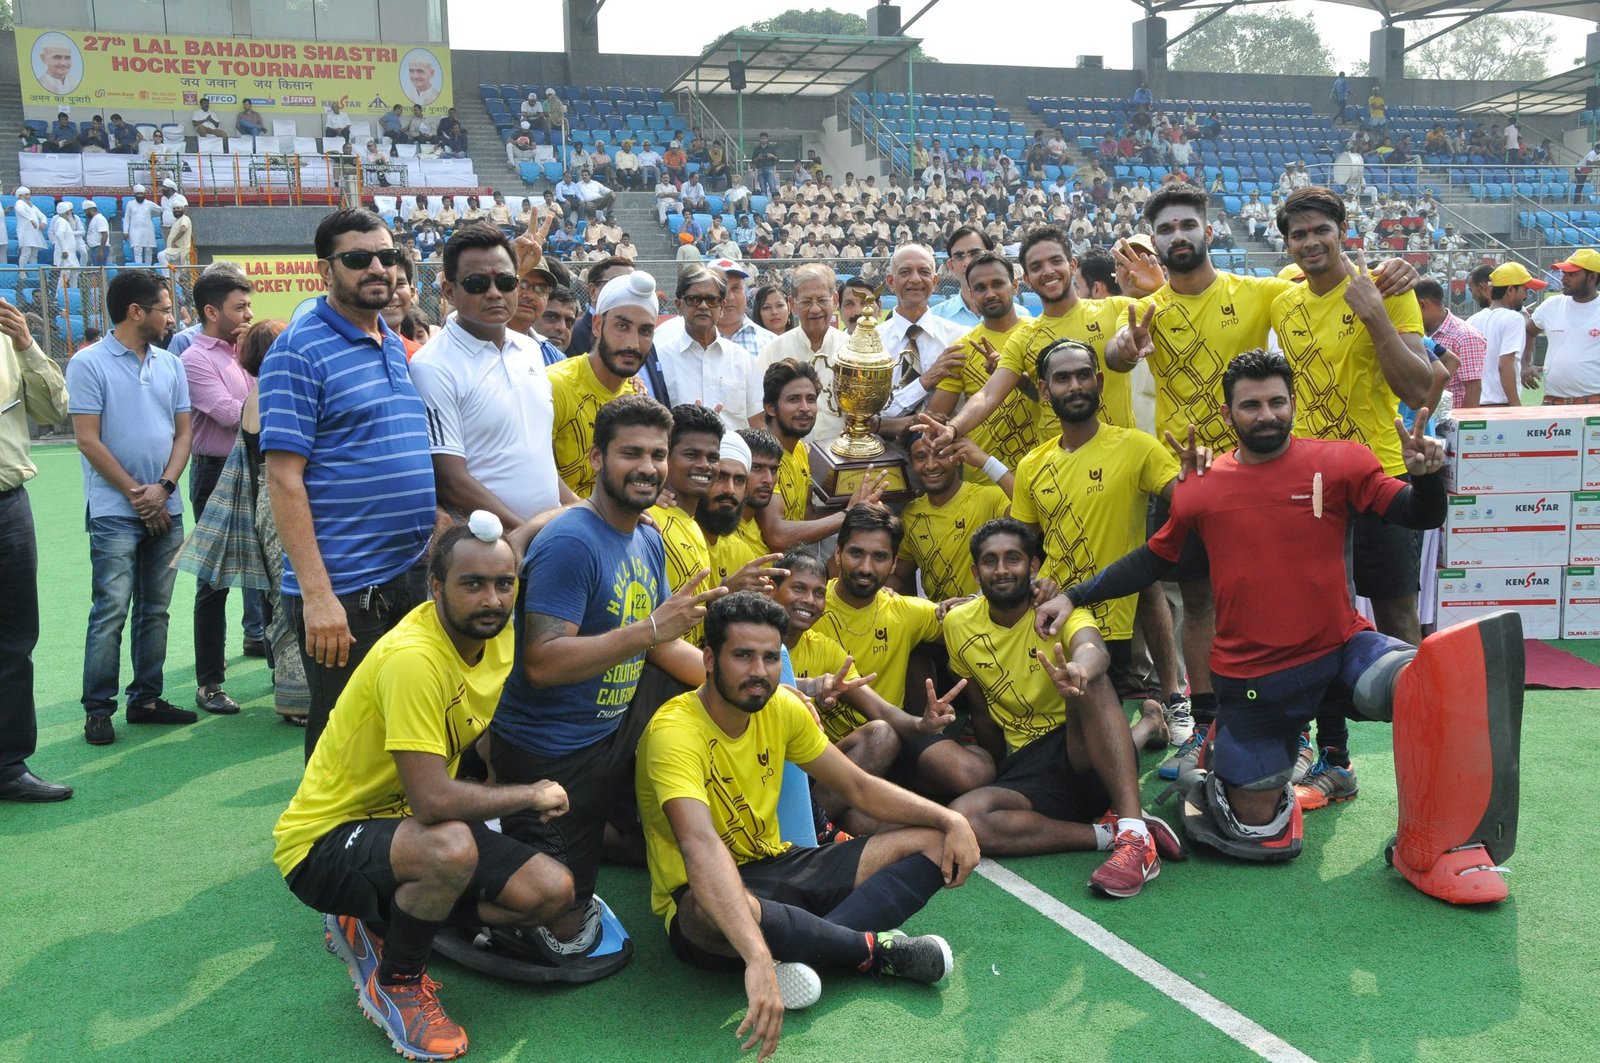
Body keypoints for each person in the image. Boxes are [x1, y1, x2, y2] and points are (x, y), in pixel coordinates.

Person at [1045, 350, 1519, 905]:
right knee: (1257, 835)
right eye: (1251, 405)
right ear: (1229, 415)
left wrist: (1428, 477)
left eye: (1276, 401)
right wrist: (1072, 595)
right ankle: (1221, 772)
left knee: (1432, 681)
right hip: (1254, 681)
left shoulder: (1342, 462)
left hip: (1341, 650)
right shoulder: (1201, 487)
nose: (1266, 414)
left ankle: (1432, 846)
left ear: (1292, 403)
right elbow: (1151, 559)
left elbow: (1419, 513)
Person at [1101, 182, 1417, 773]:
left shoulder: (1264, 294)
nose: (1177, 237)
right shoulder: (1141, 305)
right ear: (1155, 240)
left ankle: (1334, 740)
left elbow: (1323, 284)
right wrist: (1124, 345)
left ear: (1208, 231)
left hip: (1266, 481)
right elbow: (1120, 354)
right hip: (1188, 479)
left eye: (1186, 225)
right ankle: (1209, 726)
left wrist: (1386, 269)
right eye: (1165, 229)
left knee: (1318, 608)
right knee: (1200, 603)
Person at [273, 516, 574, 1062]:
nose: (491, 598)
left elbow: (521, 540)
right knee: (450, 845)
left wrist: (572, 507)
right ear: (436, 586)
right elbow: (434, 801)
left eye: (504, 584)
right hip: (324, 842)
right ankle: (398, 982)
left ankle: (379, 917)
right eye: (472, 583)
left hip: (412, 826)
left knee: (553, 892)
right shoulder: (414, 658)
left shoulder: (496, 630)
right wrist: (528, 795)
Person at [636, 590, 979, 1058]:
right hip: (706, 896)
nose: (759, 671)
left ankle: (804, 950)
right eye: (743, 656)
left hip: (783, 864)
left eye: (770, 657)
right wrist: (757, 958)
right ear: (710, 660)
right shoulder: (673, 732)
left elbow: (859, 788)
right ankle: (874, 953)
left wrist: (949, 816)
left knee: (936, 843)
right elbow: (699, 846)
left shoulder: (782, 707)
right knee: (705, 907)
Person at [486, 395, 720, 963]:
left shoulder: (647, 536)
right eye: (631, 453)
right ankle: (476, 843)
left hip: (610, 735)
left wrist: (763, 689)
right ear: (595, 457)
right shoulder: (572, 542)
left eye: (657, 454)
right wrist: (648, 631)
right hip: (550, 754)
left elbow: (666, 646)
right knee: (558, 911)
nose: (648, 467)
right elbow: (542, 663)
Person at [259, 208, 436, 758]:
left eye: (388, 257)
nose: (377, 268)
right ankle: (321, 842)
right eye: (358, 259)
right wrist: (318, 596)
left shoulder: (388, 339)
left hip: (408, 574)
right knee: (344, 739)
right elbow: (284, 479)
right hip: (347, 591)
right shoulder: (298, 349)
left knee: (402, 730)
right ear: (325, 272)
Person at [946, 519, 1183, 895]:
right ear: (975, 571)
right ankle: (1111, 831)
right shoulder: (958, 624)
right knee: (964, 818)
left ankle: (1135, 837)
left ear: (1034, 566)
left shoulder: (1060, 610)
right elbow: (980, 709)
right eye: (990, 561)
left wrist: (1079, 669)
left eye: (1013, 559)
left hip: (1080, 745)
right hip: (1030, 765)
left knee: (1088, 682)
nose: (1002, 569)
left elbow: (1094, 650)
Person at [1269, 186, 1433, 654]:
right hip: (1313, 482)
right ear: (1287, 245)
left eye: (1322, 229)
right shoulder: (1283, 304)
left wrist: (1376, 317)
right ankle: (1331, 730)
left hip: (1381, 473)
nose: (1311, 241)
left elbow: (1420, 389)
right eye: (1299, 234)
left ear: (1344, 233)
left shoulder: (1386, 290)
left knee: (1397, 615)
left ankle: (1413, 724)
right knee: (1321, 614)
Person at [772, 551, 992, 828]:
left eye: (818, 593)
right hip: (755, 766)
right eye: (798, 589)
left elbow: (879, 709)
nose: (809, 600)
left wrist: (923, 724)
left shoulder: (825, 649)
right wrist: (808, 685)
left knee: (883, 738)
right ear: (771, 590)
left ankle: (812, 826)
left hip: (816, 771)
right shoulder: (747, 631)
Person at [67, 270, 193, 746]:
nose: (171, 317)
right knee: (111, 609)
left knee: (156, 609)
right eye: (164, 308)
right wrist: (139, 495)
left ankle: (146, 699)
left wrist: (163, 486)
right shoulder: (88, 363)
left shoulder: (169, 363)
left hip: (167, 503)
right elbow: (88, 440)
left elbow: (184, 433)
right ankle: (99, 708)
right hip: (114, 511)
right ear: (136, 311)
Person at [410, 226, 571, 530]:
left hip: (545, 539)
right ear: (448, 292)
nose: (495, 293)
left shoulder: (529, 349)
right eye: (477, 283)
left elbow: (536, 458)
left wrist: (580, 510)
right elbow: (452, 481)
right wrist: (524, 533)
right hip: (488, 550)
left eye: (507, 282)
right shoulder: (432, 367)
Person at [0, 293, 74, 799]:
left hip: (7, 504)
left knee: (13, 639)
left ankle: (8, 766)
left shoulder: (9, 336)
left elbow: (53, 410)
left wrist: (26, 344)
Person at [181, 268, 256, 717]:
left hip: (255, 468)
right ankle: (209, 682)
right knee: (214, 581)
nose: (249, 313)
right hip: (215, 473)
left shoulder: (241, 350)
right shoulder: (195, 359)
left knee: (270, 573)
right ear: (211, 312)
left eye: (248, 305)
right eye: (239, 307)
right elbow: (231, 414)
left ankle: (278, 665)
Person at [549, 271, 655, 497]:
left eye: (645, 331)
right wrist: (591, 517)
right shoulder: (554, 385)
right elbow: (536, 471)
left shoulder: (637, 398)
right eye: (622, 326)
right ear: (597, 325)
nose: (633, 343)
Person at [891, 419, 1012, 605]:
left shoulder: (990, 498)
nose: (931, 465)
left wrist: (985, 462)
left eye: (940, 454)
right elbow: (899, 576)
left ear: (957, 455)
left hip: (989, 619)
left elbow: (1031, 510)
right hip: (940, 625)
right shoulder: (910, 514)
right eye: (921, 457)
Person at [657, 266, 763, 431]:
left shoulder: (741, 359)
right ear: (679, 305)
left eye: (712, 300)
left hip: (733, 455)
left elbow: (757, 421)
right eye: (694, 299)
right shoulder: (662, 360)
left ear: (722, 306)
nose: (703, 306)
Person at [876, 244, 968, 429]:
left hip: (942, 452)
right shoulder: (872, 343)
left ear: (935, 281)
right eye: (905, 272)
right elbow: (872, 414)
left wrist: (882, 424)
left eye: (924, 272)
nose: (915, 279)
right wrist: (926, 380)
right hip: (880, 452)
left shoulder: (959, 339)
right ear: (891, 282)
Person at [757, 263, 849, 447]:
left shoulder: (851, 349)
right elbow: (760, 413)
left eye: (822, 300)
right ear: (792, 304)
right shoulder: (772, 351)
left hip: (843, 459)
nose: (815, 309)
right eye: (806, 302)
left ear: (835, 300)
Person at [1465, 262, 1544, 407]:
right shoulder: (1514, 318)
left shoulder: (1472, 320)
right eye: (1524, 289)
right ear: (1510, 289)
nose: (1525, 295)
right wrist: (1515, 407)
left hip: (1476, 404)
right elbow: (1505, 365)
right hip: (1500, 405)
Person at [1529, 248, 1600, 405]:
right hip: (1553, 403)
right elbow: (1528, 331)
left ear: (1592, 277)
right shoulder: (1551, 305)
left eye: (1572, 274)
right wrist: (1525, 364)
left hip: (1594, 405)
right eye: (1564, 273)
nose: (1564, 279)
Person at [1415, 278, 1485, 409]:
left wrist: (1465, 427)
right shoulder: (1419, 333)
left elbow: (1473, 389)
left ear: (1422, 304)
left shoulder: (1465, 336)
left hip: (1450, 422)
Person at [124, 184, 159, 266]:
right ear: (135, 194)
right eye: (138, 193)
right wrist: (125, 231)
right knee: (137, 250)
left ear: (144, 194)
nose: (140, 195)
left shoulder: (149, 203)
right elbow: (127, 218)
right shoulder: (130, 204)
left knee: (148, 250)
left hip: (148, 230)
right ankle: (139, 270)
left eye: (141, 193)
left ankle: (148, 270)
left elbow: (161, 210)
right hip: (135, 230)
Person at [13, 188, 47, 269]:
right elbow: (20, 210)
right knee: (25, 254)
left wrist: (43, 222)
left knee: (34, 255)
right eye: (27, 194)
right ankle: (22, 272)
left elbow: (42, 215)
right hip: (25, 233)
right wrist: (31, 220)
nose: (29, 196)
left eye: (29, 194)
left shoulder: (31, 206)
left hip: (35, 233)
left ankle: (33, 272)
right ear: (20, 196)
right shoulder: (19, 203)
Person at [156, 195, 191, 269]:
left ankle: (167, 276)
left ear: (182, 209)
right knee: (176, 275)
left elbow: (183, 229)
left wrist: (173, 241)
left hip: (179, 249)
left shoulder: (184, 218)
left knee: (161, 255)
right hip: (175, 250)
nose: (176, 210)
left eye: (178, 208)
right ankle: (171, 278)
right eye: (174, 209)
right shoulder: (177, 220)